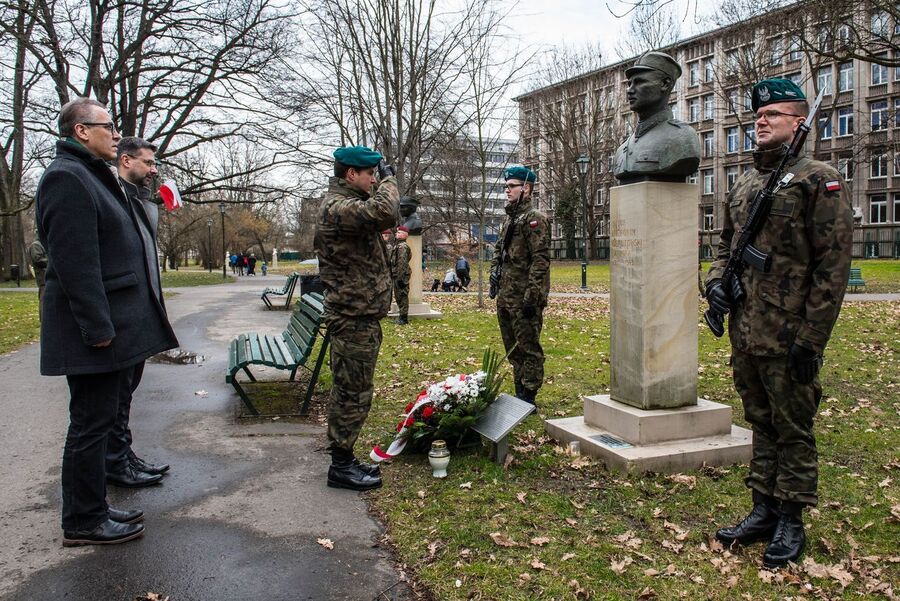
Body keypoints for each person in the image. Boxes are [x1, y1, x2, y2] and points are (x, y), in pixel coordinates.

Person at [706, 78, 852, 569]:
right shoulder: (747, 183)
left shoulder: (819, 178)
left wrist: (812, 341)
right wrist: (715, 285)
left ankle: (792, 517)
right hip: (747, 331)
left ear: (798, 123)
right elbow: (724, 246)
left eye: (773, 115)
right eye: (758, 115)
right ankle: (762, 508)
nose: (761, 122)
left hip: (790, 334)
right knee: (760, 422)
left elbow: (832, 269)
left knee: (794, 428)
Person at [36, 98, 178, 546]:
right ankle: (82, 520)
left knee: (98, 421)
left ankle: (92, 508)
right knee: (90, 424)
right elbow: (76, 265)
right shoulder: (67, 178)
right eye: (109, 127)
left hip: (113, 326)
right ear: (81, 131)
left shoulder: (91, 174)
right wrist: (96, 329)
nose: (117, 135)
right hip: (95, 333)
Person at [314, 145, 399, 491]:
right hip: (352, 318)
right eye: (370, 175)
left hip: (359, 315)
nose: (375, 180)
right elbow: (385, 211)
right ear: (352, 174)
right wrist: (391, 179)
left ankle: (345, 458)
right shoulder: (337, 207)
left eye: (377, 175)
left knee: (355, 389)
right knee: (352, 392)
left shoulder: (347, 205)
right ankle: (341, 466)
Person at [103, 136, 173, 489]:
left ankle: (122, 455)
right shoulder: (111, 194)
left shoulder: (135, 197)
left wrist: (153, 199)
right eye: (147, 163)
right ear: (126, 160)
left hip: (140, 310)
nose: (153, 169)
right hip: (121, 313)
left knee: (127, 392)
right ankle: (115, 463)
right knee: (115, 396)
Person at [489, 166, 550, 406]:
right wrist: (494, 277)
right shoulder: (510, 219)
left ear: (526, 188)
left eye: (511, 186)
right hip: (506, 294)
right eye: (506, 186)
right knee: (512, 346)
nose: (507, 190)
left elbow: (540, 260)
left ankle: (529, 394)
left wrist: (532, 296)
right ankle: (519, 390)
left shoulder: (535, 219)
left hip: (524, 297)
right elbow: (498, 251)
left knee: (529, 347)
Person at [612, 51, 700, 184]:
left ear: (665, 84)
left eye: (639, 82)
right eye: (629, 84)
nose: (629, 90)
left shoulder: (683, 137)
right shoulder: (621, 150)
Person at [390, 226, 412, 324]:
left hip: (401, 275)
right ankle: (401, 316)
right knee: (399, 296)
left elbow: (402, 263)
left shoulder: (402, 246)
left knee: (402, 296)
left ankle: (403, 318)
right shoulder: (399, 245)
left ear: (404, 235)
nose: (396, 234)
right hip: (398, 274)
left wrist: (400, 278)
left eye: (398, 233)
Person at [27, 237, 48, 319]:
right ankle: (44, 320)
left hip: (47, 277)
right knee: (44, 300)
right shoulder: (36, 245)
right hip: (43, 278)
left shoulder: (44, 244)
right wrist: (52, 260)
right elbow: (38, 260)